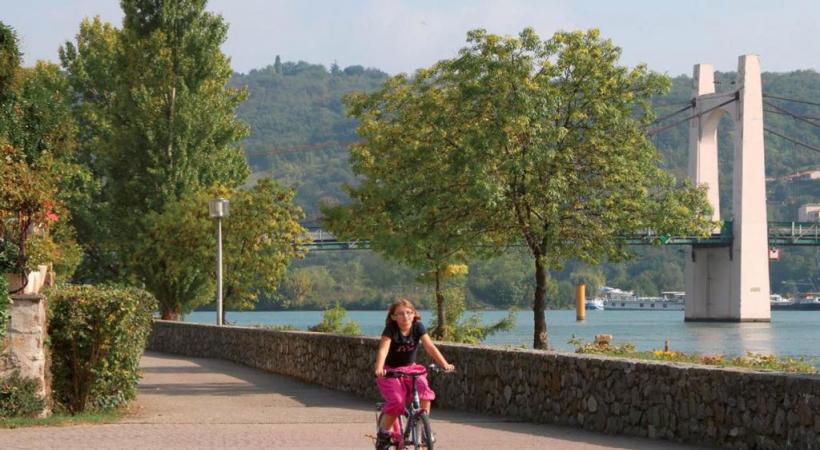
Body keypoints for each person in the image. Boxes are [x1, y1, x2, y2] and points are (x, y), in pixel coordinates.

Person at [374, 298, 455, 450]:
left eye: (409, 313)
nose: (406, 317)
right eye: (401, 314)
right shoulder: (391, 329)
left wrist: (444, 364)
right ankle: (384, 433)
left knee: (425, 391)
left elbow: (430, 347)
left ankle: (424, 428)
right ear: (393, 317)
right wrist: (379, 368)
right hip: (390, 371)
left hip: (410, 369)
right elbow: (383, 349)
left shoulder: (418, 327)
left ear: (414, 314)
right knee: (397, 401)